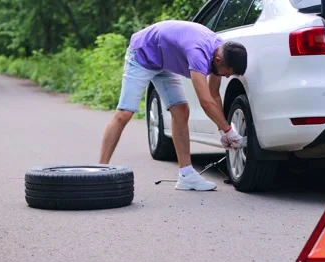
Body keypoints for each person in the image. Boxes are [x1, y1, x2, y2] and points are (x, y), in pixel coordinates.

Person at [98, 20, 247, 191]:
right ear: (219, 59)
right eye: (226, 73)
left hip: (164, 62)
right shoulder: (198, 53)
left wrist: (222, 131)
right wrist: (229, 131)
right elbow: (205, 101)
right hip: (142, 55)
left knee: (181, 111)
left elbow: (214, 95)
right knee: (124, 113)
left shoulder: (221, 52)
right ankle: (99, 171)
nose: (226, 77)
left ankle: (186, 175)